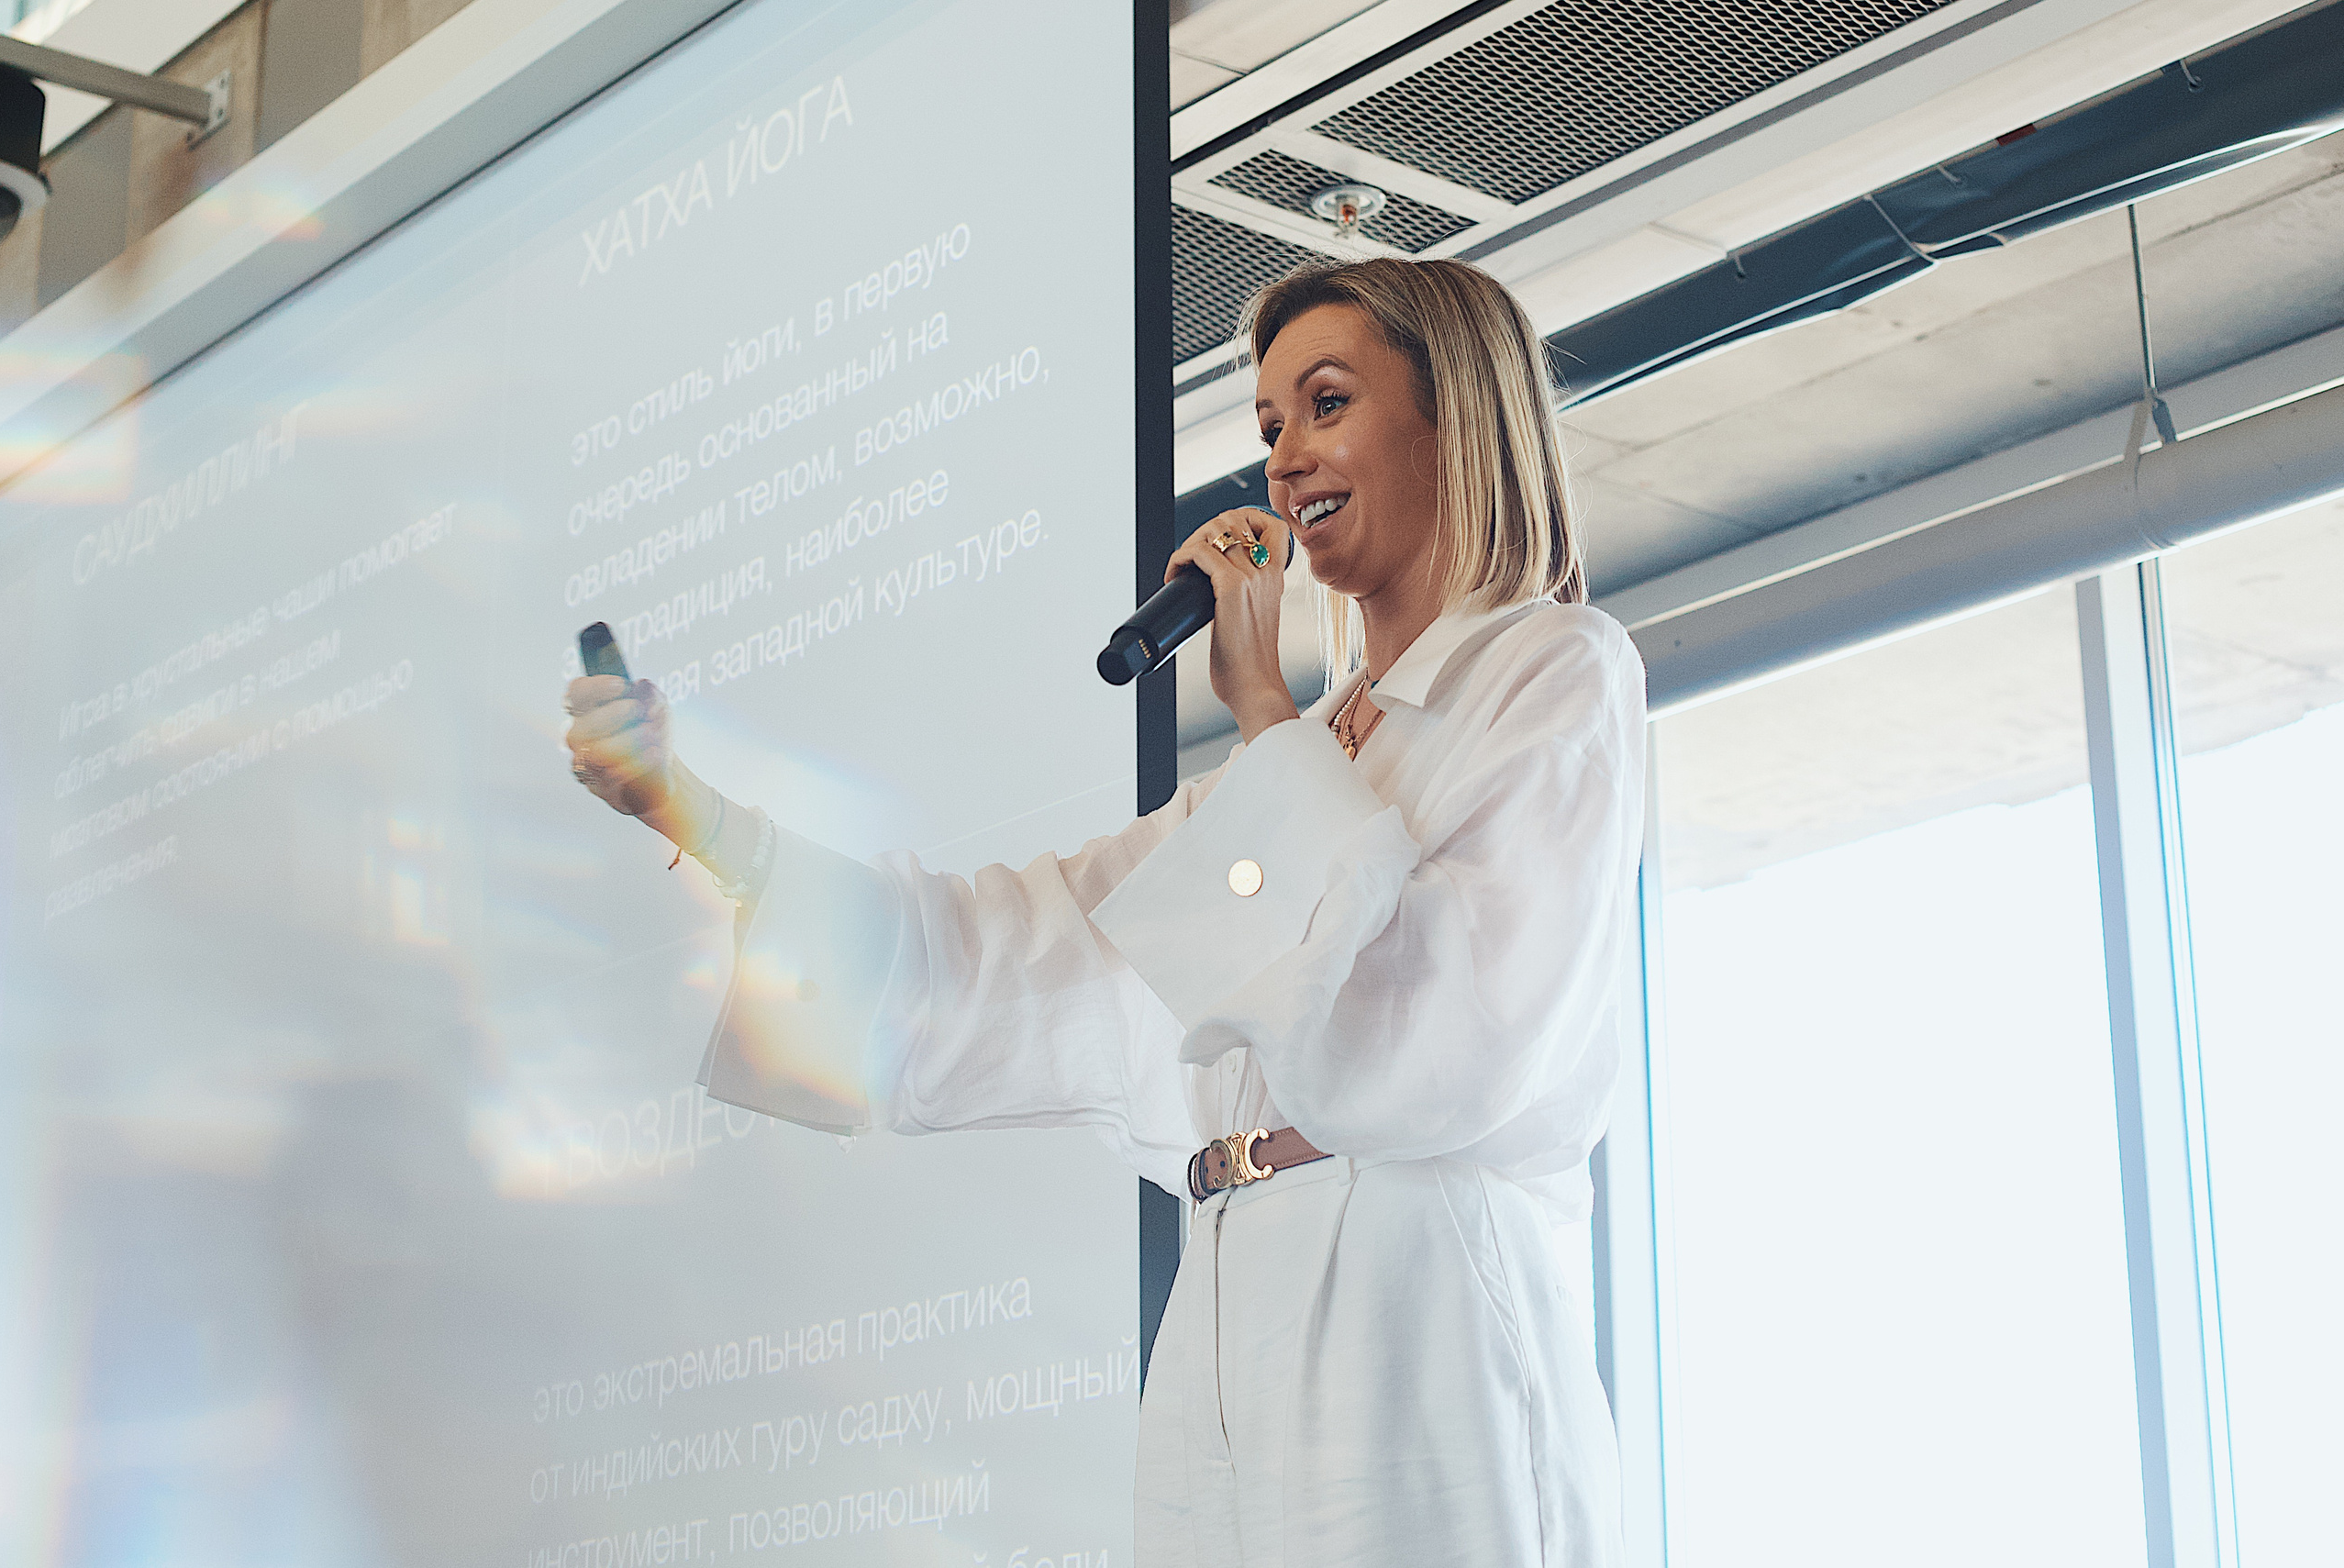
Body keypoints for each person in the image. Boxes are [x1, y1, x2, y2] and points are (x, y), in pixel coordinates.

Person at [563, 257, 1647, 1567]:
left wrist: (1258, 710)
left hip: (1416, 1311)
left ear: (1452, 416)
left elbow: (1440, 1031)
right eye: (1265, 427)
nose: (1284, 458)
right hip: (1222, 1316)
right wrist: (688, 811)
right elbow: (992, 953)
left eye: (1325, 402)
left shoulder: (1550, 675)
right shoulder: (1276, 778)